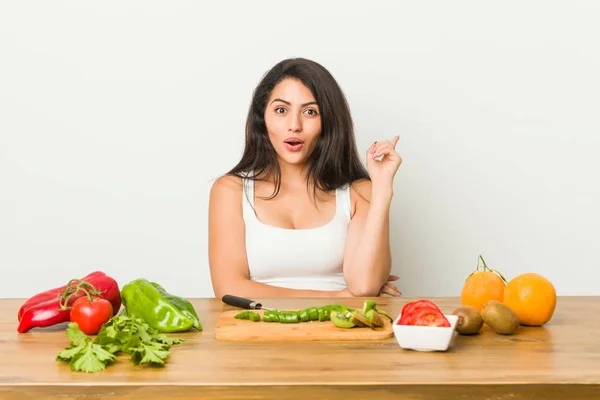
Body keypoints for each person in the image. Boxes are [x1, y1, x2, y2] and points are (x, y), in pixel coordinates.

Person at [208, 57, 402, 299]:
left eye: (310, 112)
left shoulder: (359, 192)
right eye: (281, 110)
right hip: (258, 328)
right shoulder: (230, 190)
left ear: (328, 122)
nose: (294, 125)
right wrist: (336, 297)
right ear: (262, 118)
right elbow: (229, 288)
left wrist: (382, 189)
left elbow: (364, 287)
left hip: (342, 329)